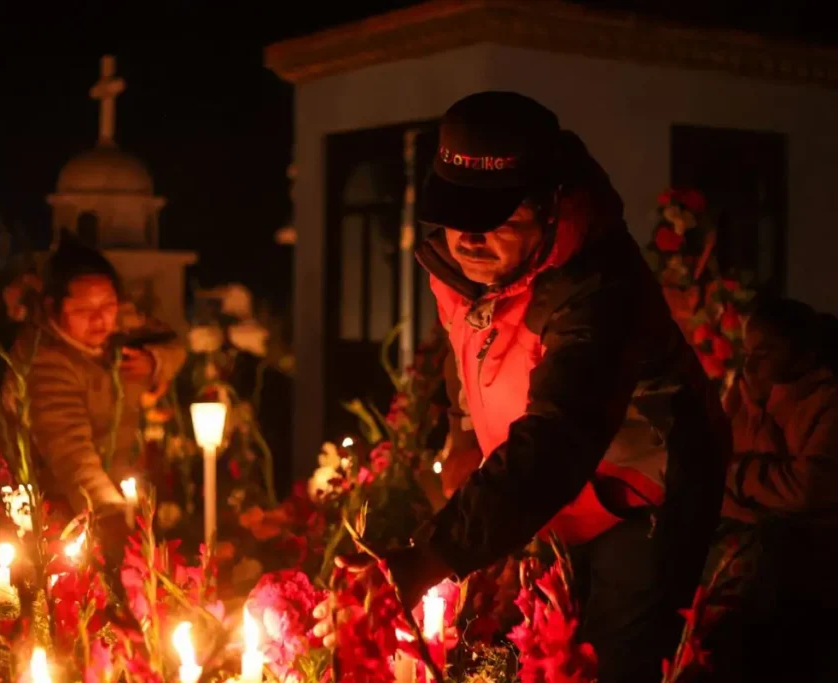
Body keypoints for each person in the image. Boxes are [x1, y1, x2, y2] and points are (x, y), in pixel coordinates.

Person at [318, 92, 730, 682]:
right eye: (456, 214)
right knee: (535, 646)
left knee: (612, 659)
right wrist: (467, 442)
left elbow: (559, 436)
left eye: (500, 219)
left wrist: (432, 556)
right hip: (548, 489)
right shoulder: (471, 267)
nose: (470, 238)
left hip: (643, 491)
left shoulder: (596, 290)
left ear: (552, 206)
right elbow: (471, 359)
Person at [9, 236, 185, 560]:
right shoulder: (46, 361)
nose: (99, 319)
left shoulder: (119, 329)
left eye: (108, 305)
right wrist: (110, 514)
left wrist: (155, 360)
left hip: (124, 495)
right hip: (67, 514)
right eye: (82, 309)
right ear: (52, 307)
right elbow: (71, 451)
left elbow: (175, 343)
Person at [707, 297, 838, 681]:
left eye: (765, 354)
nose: (750, 365)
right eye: (748, 353)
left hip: (800, 554)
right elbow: (713, 462)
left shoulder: (826, 404)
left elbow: (805, 489)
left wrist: (740, 475)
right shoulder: (743, 393)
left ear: (803, 354)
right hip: (734, 535)